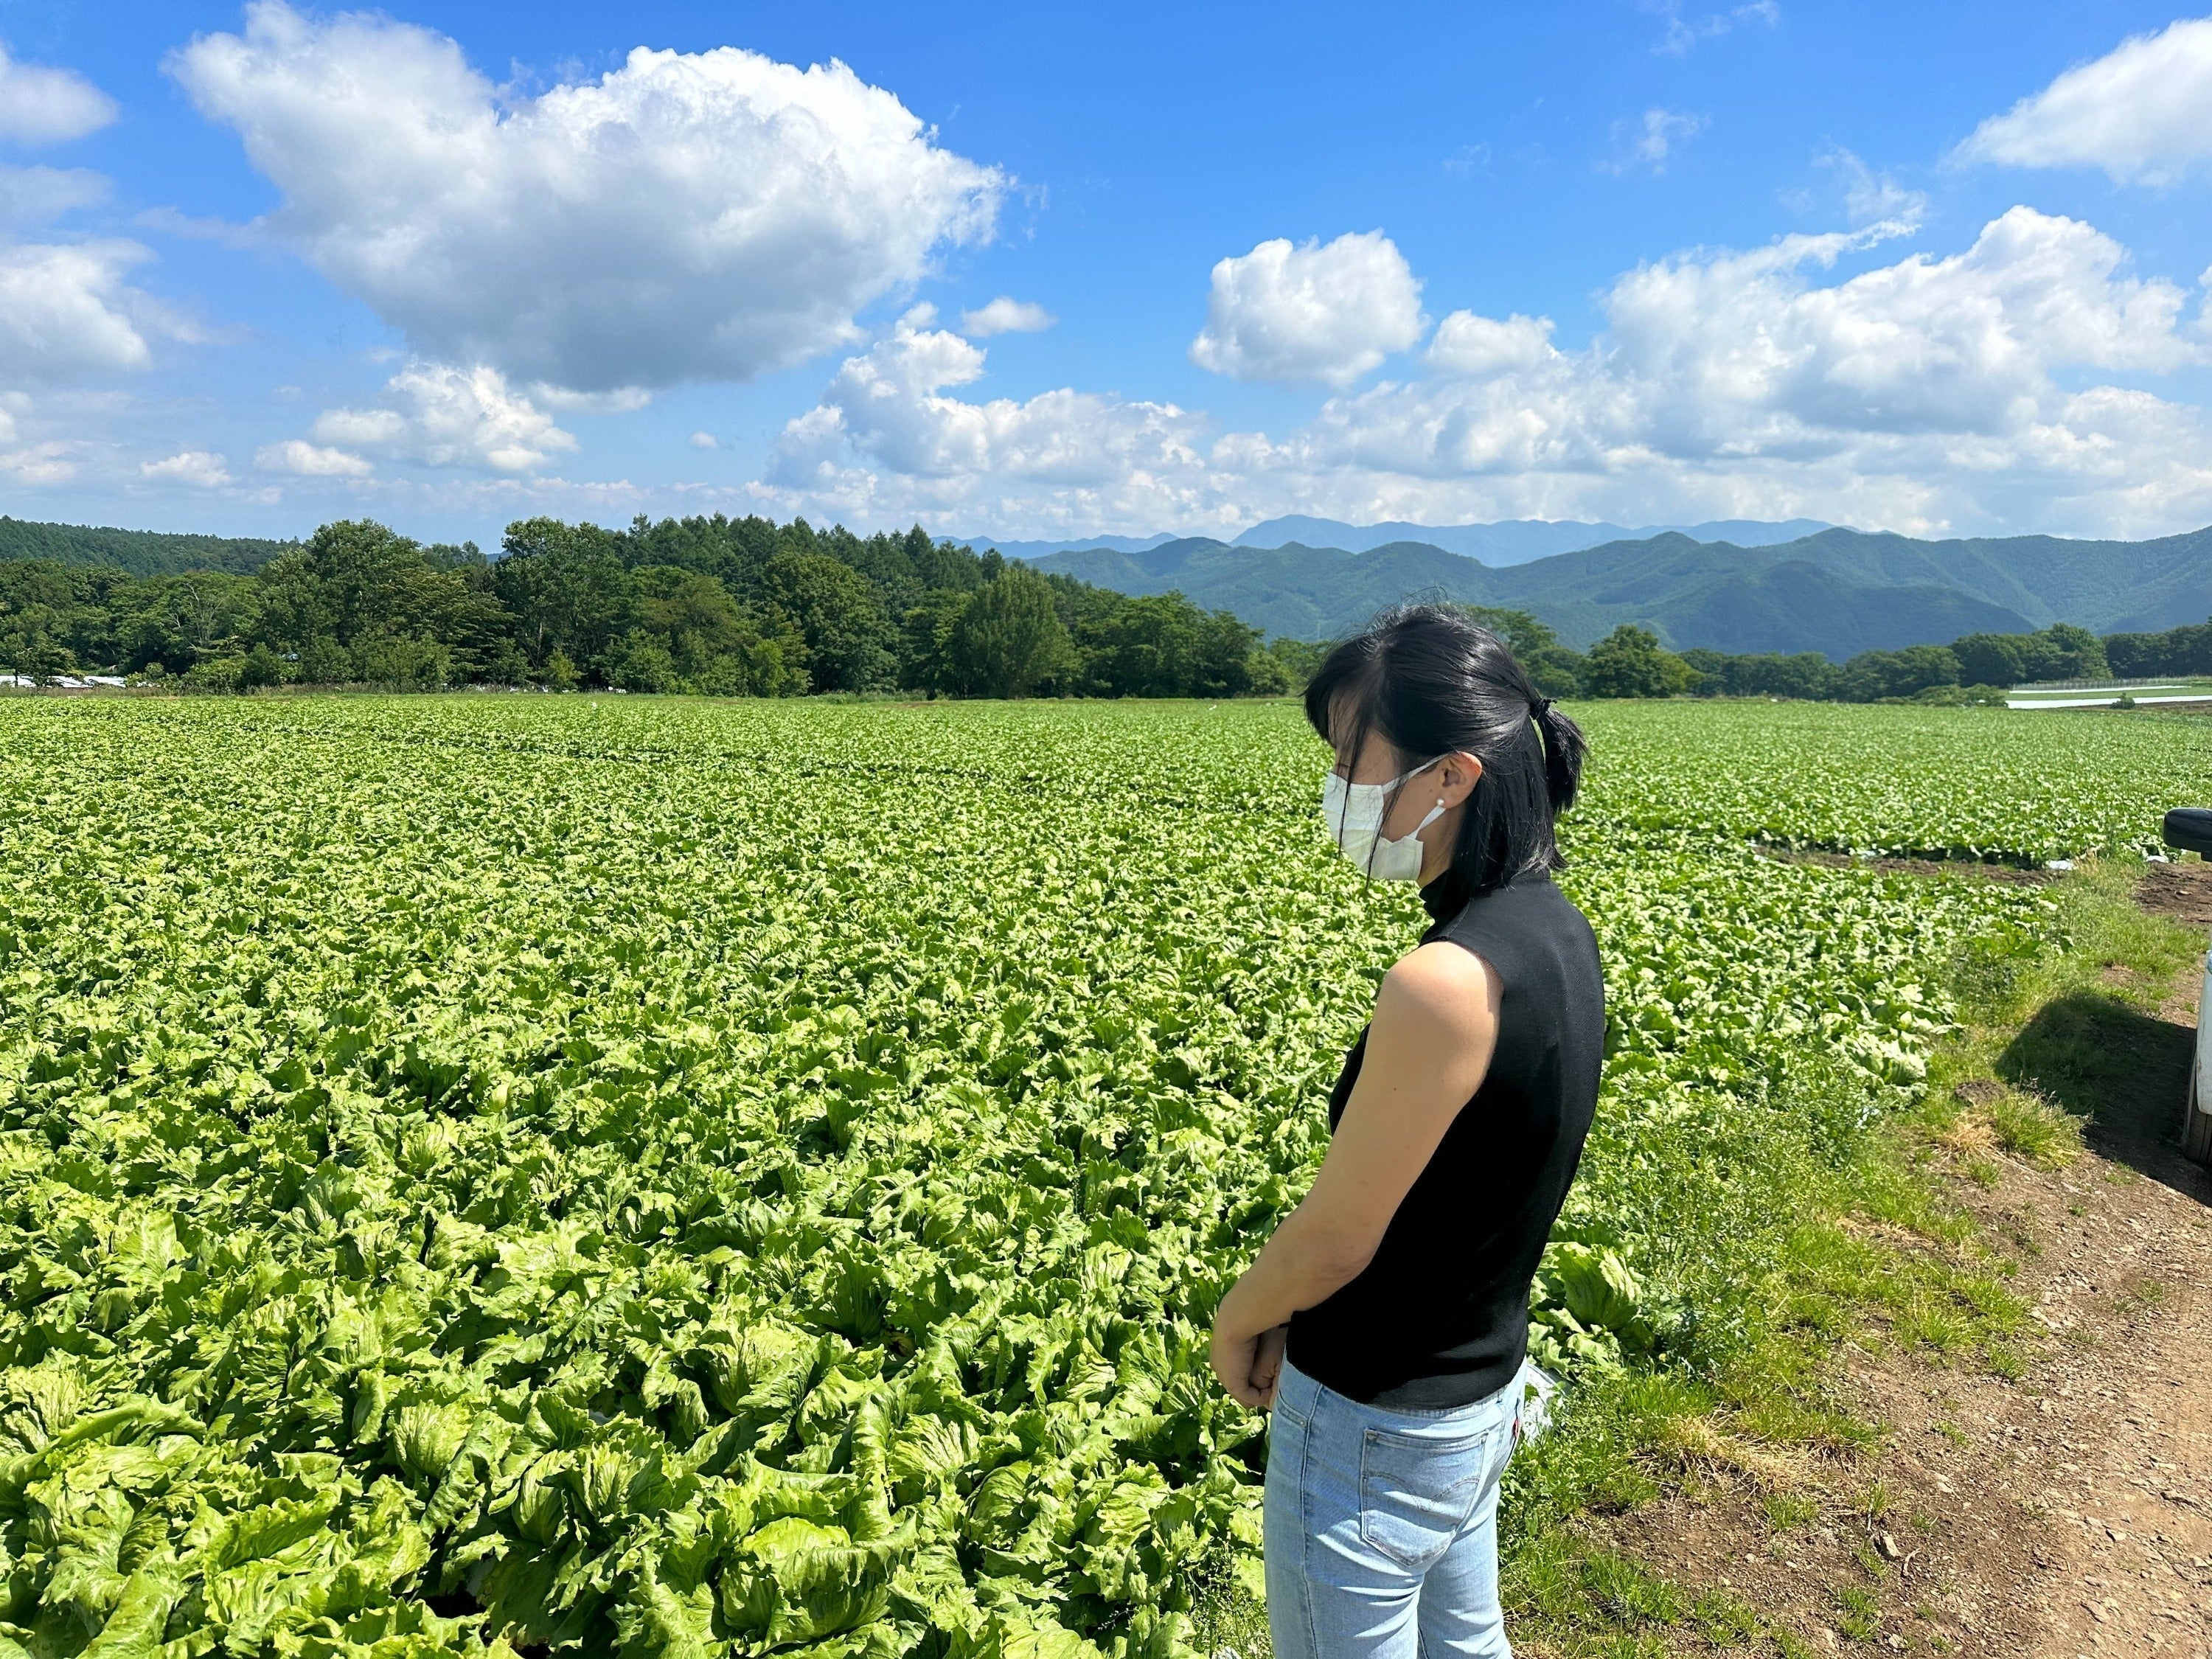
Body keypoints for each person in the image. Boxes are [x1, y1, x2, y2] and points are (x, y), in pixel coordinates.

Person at [1208, 605, 1604, 1659]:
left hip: (1369, 1430)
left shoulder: (1441, 981)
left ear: (1451, 777)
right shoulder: (1559, 931)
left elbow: (1338, 1236)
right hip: (1476, 1399)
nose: (1337, 781)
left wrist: (1238, 1318)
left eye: (1351, 753)